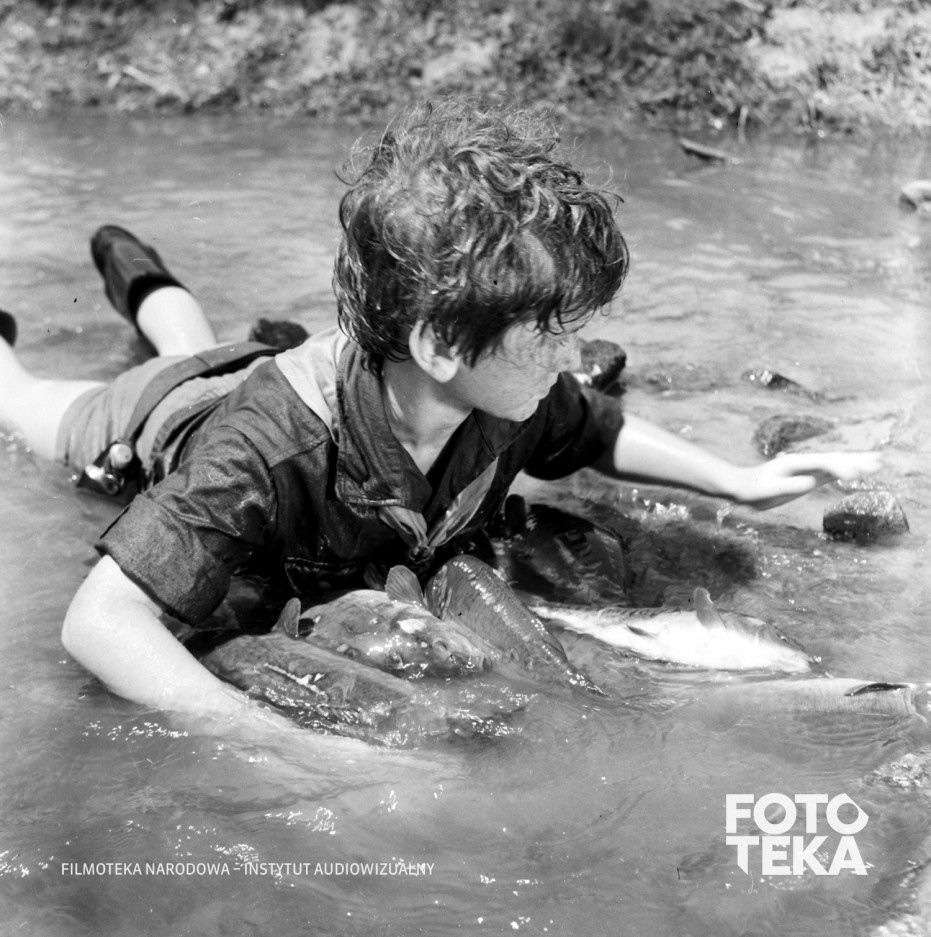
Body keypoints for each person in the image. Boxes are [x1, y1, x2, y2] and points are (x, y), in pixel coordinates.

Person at [0, 98, 879, 721]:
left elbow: (599, 431)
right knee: (27, 399)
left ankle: (144, 277)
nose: (572, 359)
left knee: (193, 340)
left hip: (263, 372)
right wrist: (270, 741)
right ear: (440, 346)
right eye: (551, 335)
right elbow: (98, 623)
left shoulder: (506, 394)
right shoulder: (262, 451)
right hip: (156, 419)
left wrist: (738, 481)